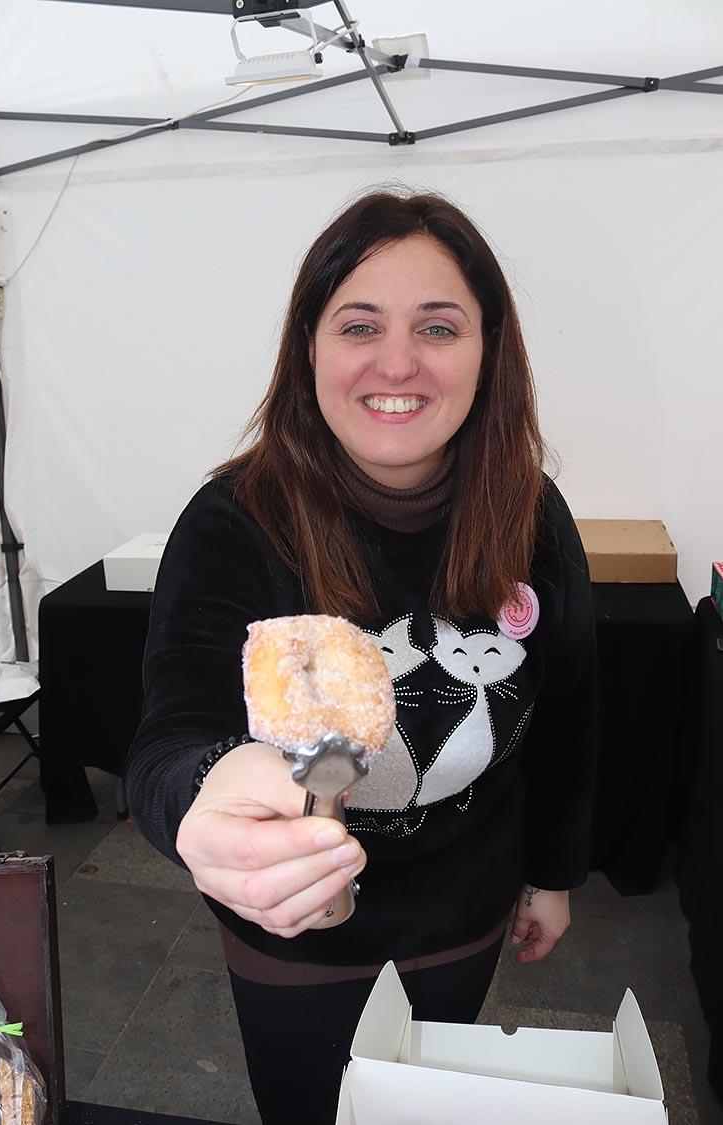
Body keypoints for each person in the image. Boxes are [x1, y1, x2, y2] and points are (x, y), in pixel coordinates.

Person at [125, 188, 598, 1125]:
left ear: (488, 352)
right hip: (298, 934)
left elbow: (570, 710)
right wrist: (204, 797)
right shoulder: (234, 521)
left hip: (464, 911)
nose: (397, 362)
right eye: (359, 325)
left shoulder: (531, 513)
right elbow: (170, 735)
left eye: (438, 327)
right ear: (309, 347)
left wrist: (553, 874)